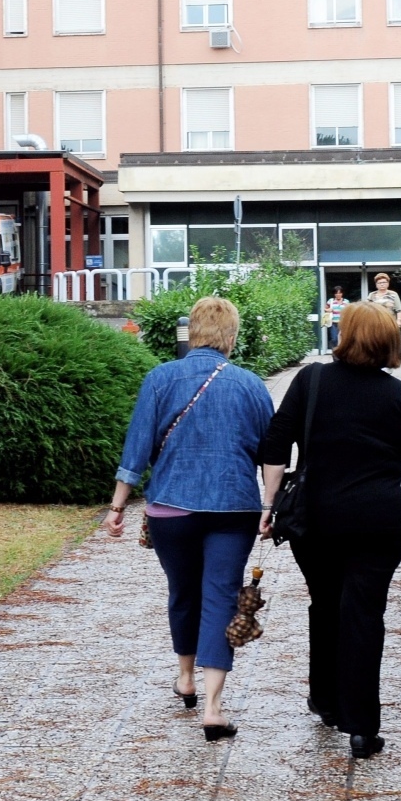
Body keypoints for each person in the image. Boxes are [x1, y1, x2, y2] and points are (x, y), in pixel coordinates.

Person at [257, 302, 401, 759]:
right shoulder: (400, 395)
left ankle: (325, 698)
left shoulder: (312, 380)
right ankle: (361, 726)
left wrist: (269, 504)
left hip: (316, 518)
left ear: (345, 333)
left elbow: (275, 443)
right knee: (363, 612)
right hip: (378, 519)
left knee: (326, 601)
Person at [104, 296, 274, 742]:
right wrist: (271, 503)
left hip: (171, 509)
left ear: (192, 332)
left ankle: (185, 678)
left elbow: (137, 448)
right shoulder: (251, 385)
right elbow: (271, 454)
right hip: (234, 507)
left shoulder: (161, 378)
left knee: (182, 592)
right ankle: (214, 708)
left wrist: (118, 506)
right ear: (231, 336)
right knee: (220, 596)